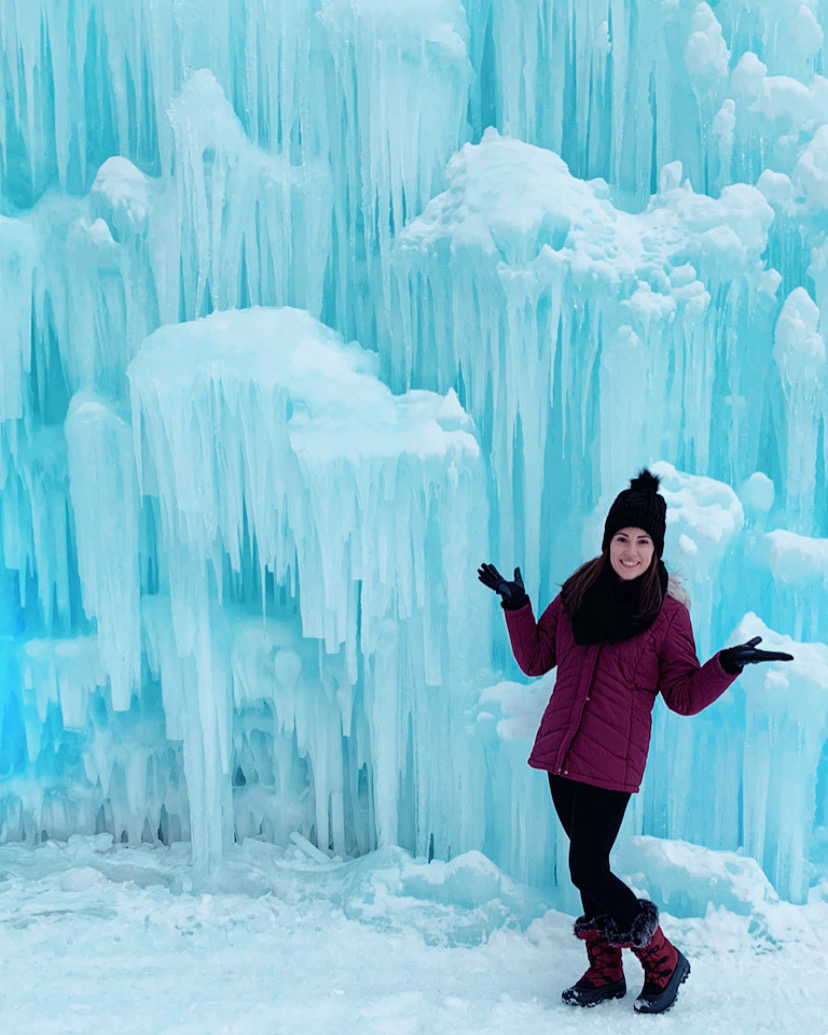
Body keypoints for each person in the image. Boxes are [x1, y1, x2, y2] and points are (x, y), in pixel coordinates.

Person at [478, 469, 792, 1015]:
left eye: (643, 541)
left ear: (657, 548)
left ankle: (664, 959)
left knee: (587, 867)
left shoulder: (668, 615)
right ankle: (605, 971)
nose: (630, 550)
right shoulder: (577, 593)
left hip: (612, 762)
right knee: (584, 864)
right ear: (608, 541)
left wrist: (725, 665)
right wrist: (516, 605)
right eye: (622, 538)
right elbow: (535, 660)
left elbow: (682, 694)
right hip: (563, 754)